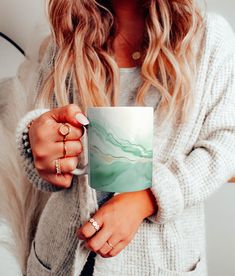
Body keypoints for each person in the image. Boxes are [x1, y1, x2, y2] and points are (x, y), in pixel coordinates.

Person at [13, 0, 235, 275]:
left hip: (161, 263)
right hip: (62, 259)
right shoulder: (65, 42)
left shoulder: (208, 37)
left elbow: (227, 141)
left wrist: (149, 197)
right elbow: (43, 131)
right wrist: (34, 142)